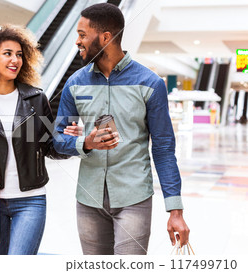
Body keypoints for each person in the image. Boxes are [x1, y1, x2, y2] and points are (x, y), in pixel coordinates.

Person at [53, 3, 190, 255]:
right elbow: (57, 139)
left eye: (83, 35)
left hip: (134, 198)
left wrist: (175, 211)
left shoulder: (150, 83)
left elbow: (163, 149)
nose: (77, 42)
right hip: (88, 199)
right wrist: (86, 142)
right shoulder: (75, 83)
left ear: (105, 37)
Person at [0, 25, 79, 255]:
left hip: (30, 200)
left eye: (19, 54)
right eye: (7, 53)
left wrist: (70, 141)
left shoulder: (36, 98)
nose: (15, 60)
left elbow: (50, 147)